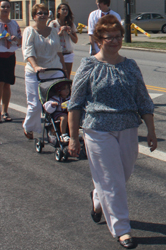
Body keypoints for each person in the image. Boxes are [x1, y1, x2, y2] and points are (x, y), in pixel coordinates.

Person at [67, 15, 157, 249]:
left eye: (118, 37)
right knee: (112, 180)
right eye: (109, 38)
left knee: (121, 177)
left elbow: (143, 100)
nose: (115, 41)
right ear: (98, 40)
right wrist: (73, 137)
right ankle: (122, 229)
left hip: (127, 127)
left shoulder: (130, 65)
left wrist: (151, 130)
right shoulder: (89, 66)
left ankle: (98, 198)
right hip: (97, 129)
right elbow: (74, 104)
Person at [22, 4, 65, 140]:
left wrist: (64, 69)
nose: (43, 15)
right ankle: (28, 127)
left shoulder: (53, 30)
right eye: (40, 13)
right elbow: (28, 51)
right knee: (35, 105)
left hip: (54, 69)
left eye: (45, 13)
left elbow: (59, 51)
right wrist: (35, 67)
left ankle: (55, 128)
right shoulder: (29, 31)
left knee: (57, 103)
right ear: (34, 16)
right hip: (36, 72)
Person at [48, 3, 78, 78]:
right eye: (63, 9)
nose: (65, 11)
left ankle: (67, 89)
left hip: (68, 53)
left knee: (66, 76)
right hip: (57, 54)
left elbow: (75, 40)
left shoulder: (70, 24)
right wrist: (59, 33)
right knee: (57, 75)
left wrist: (70, 33)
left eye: (67, 10)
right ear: (58, 11)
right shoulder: (53, 24)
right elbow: (49, 39)